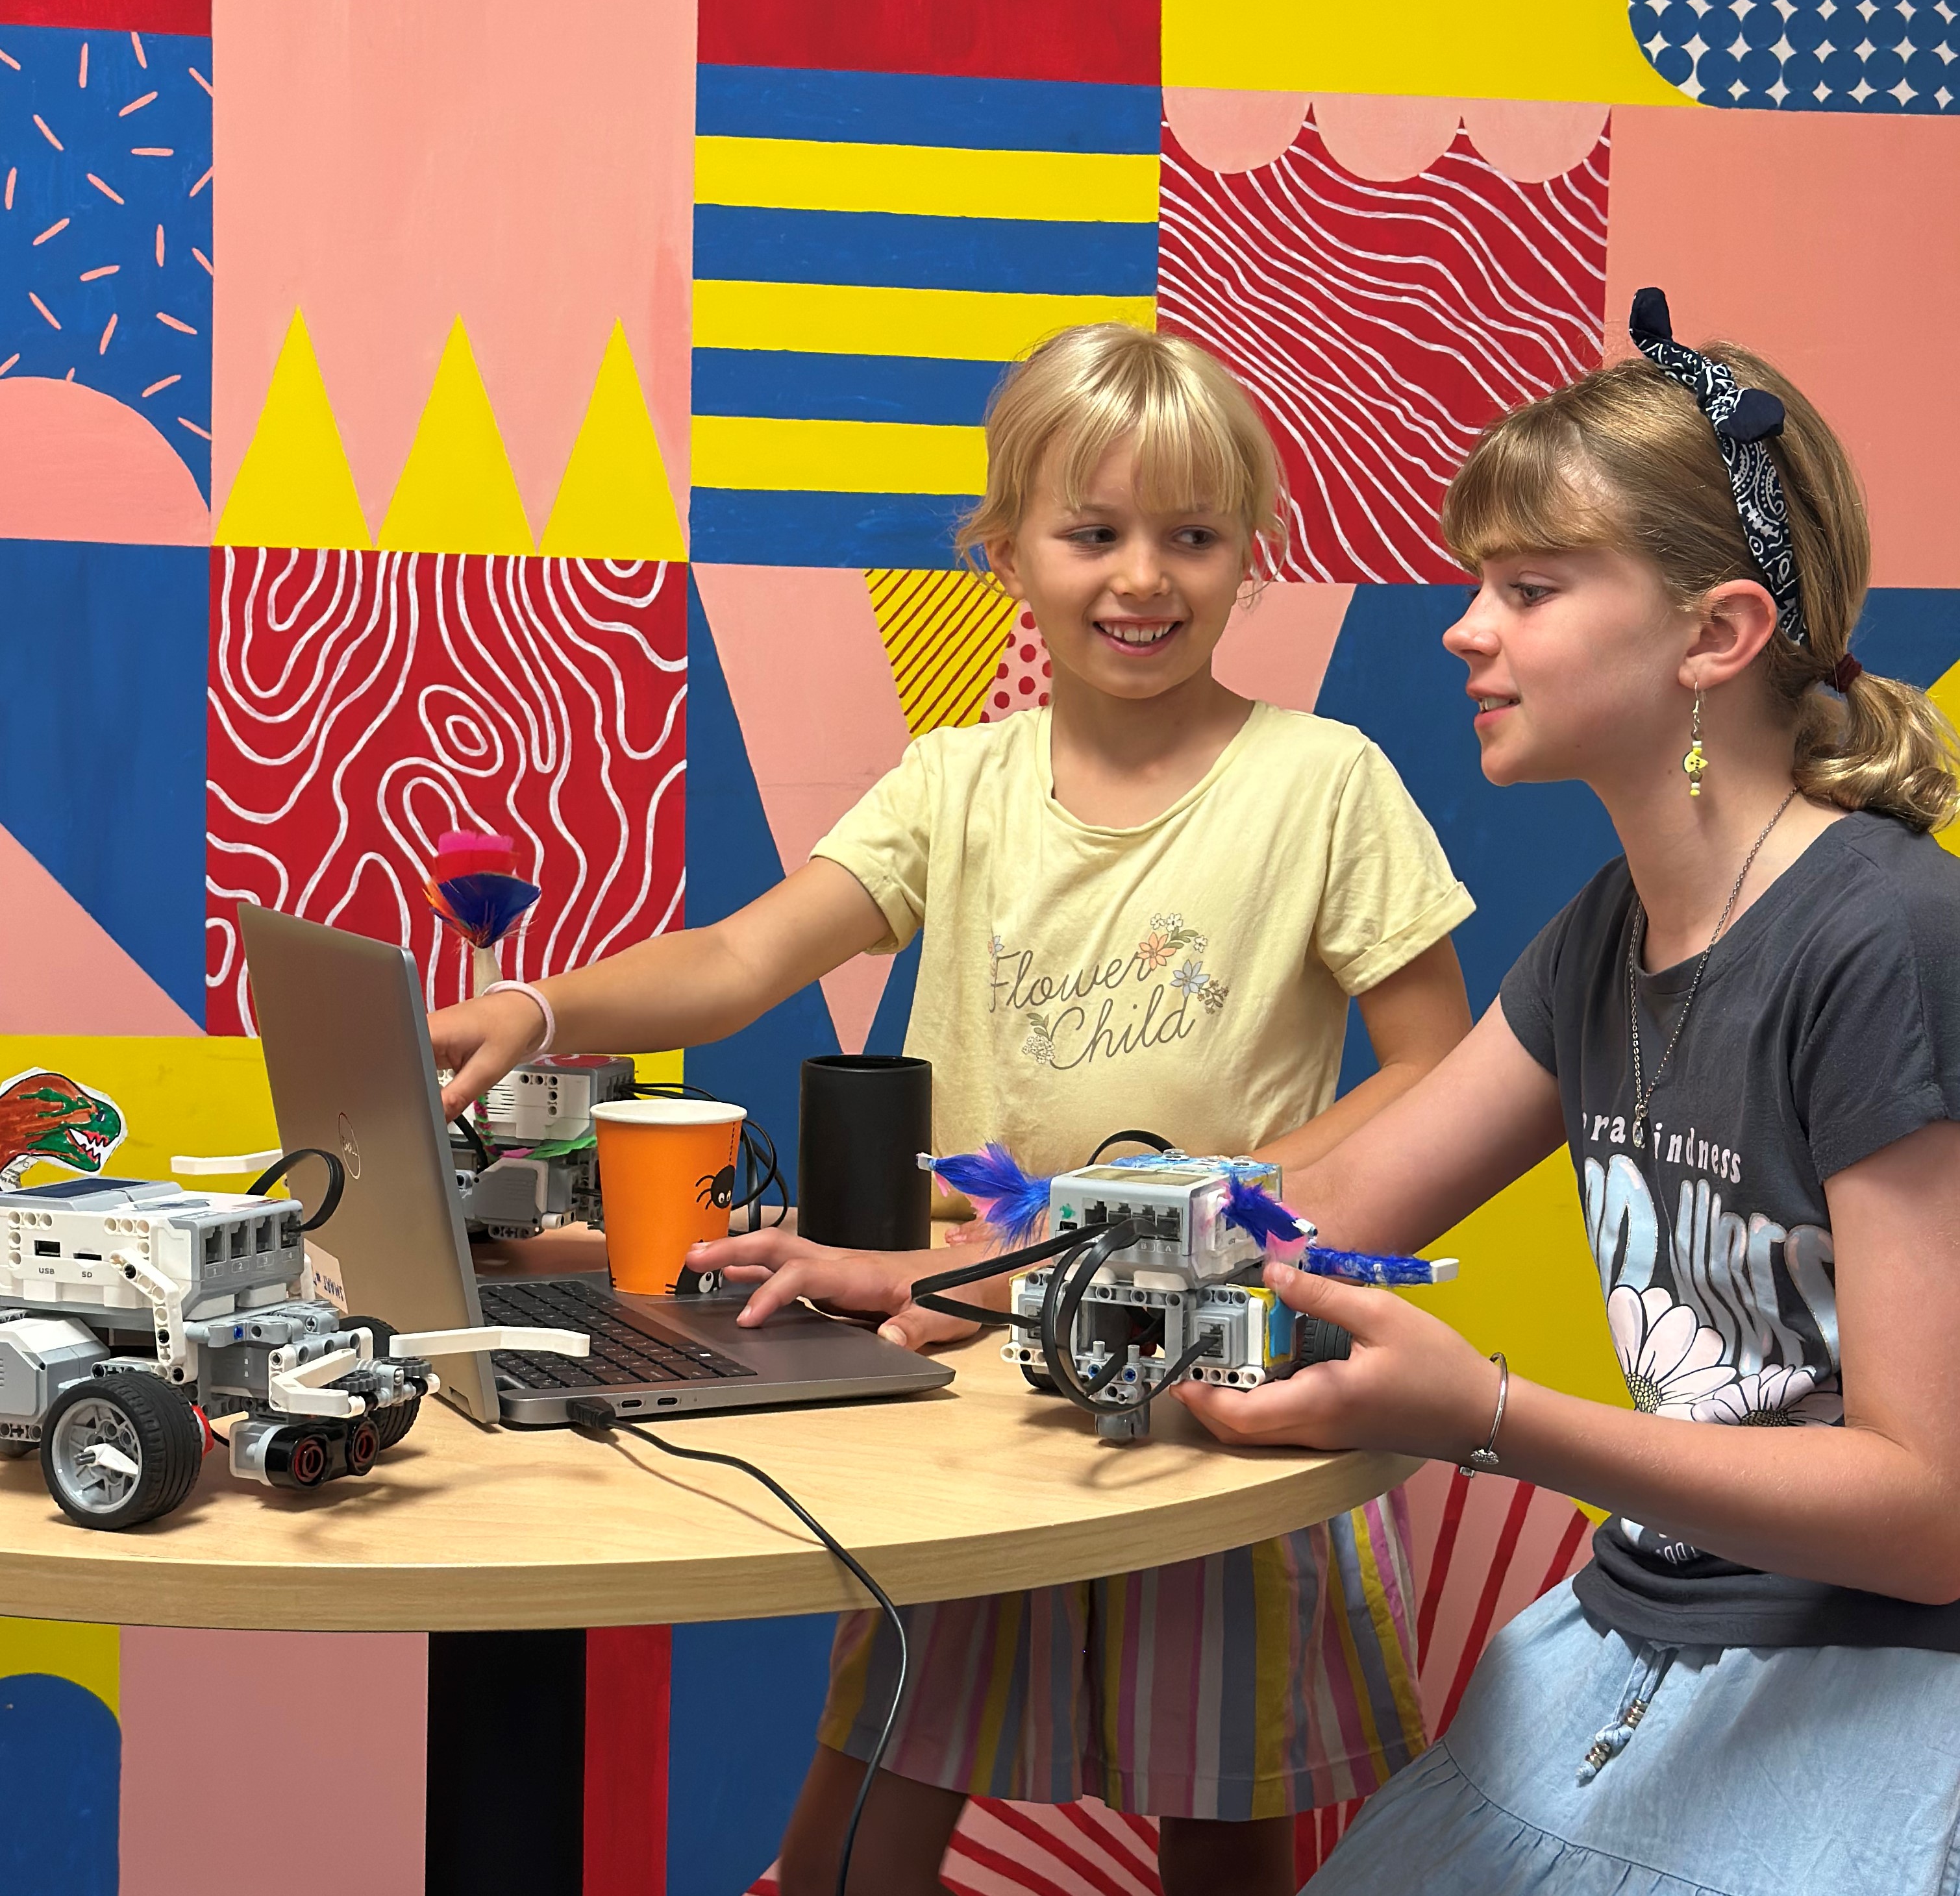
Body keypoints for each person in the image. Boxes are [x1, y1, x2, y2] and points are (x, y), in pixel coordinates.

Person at [432, 323, 1477, 1896]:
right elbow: (737, 957)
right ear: (1006, 554)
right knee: (871, 1810)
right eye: (1094, 532)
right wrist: (542, 1007)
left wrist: (1213, 1202)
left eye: (1192, 536)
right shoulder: (954, 782)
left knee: (1225, 1818)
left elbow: (1434, 1077)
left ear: (1249, 556)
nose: (1144, 576)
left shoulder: (1325, 783)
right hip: (971, 1338)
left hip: (1217, 1357)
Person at [1178, 291, 1960, 1896]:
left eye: (1528, 588)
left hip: (1882, 1674)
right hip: (1636, 1630)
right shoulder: (1611, 928)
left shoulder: (1883, 937)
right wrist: (941, 1259)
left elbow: (1926, 1508)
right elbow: (1315, 1223)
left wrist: (1483, 1414)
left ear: (1714, 635)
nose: (1465, 628)